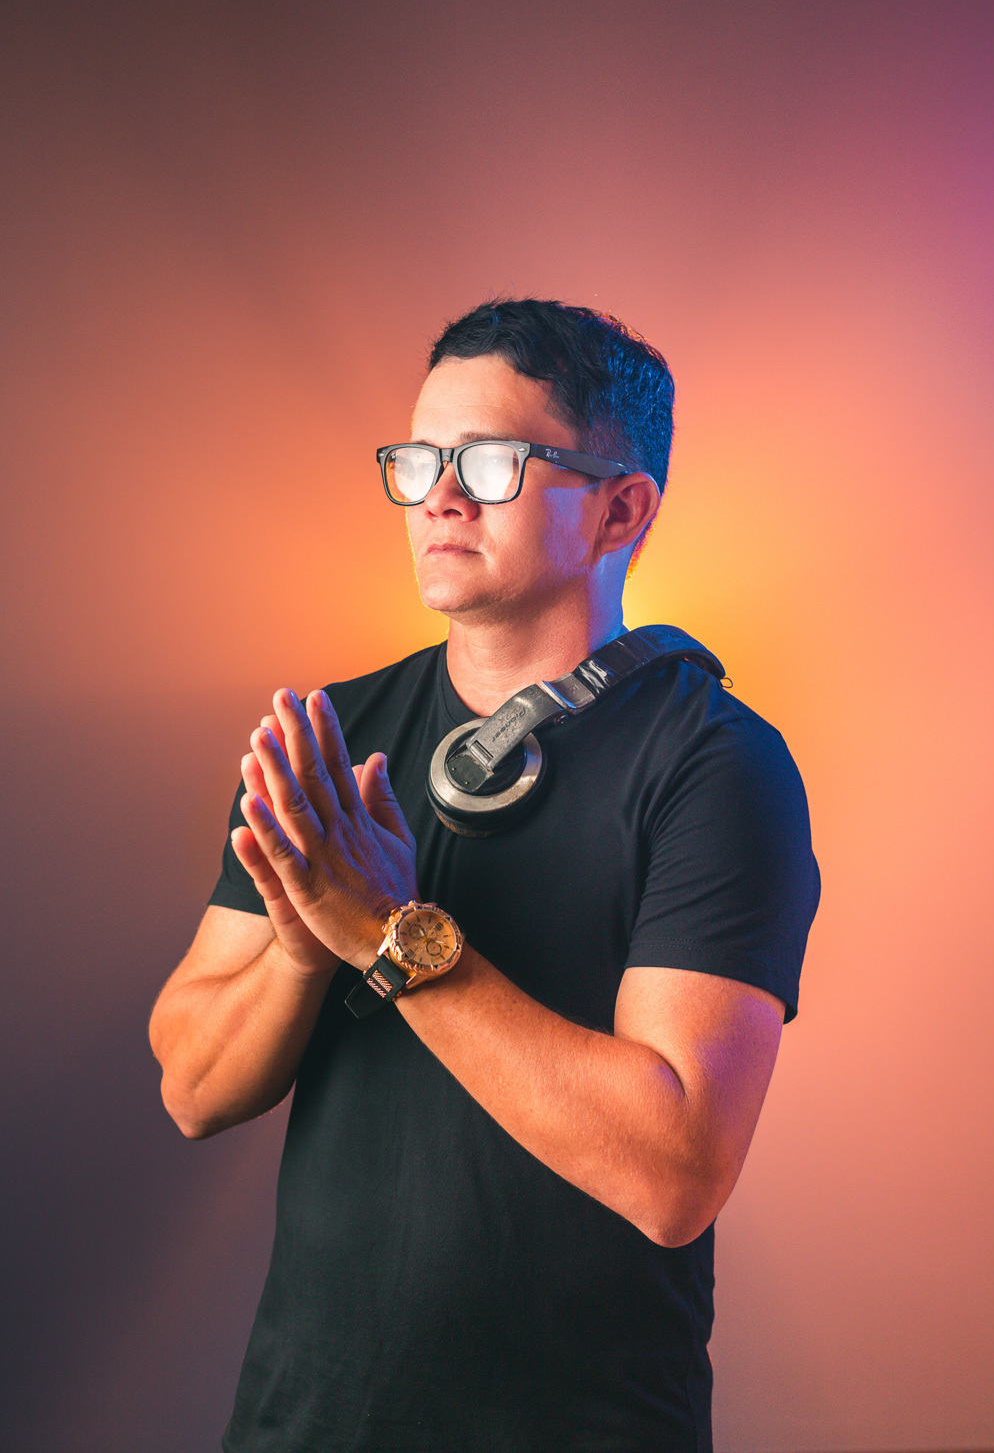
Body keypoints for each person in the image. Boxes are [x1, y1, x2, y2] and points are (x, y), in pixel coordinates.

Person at [149, 298, 820, 1453]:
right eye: (420, 461)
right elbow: (192, 1090)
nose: (440, 497)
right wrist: (304, 953)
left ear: (620, 508)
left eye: (493, 461)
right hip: (300, 1423)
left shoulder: (718, 767)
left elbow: (674, 1176)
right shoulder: (334, 737)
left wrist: (392, 935)